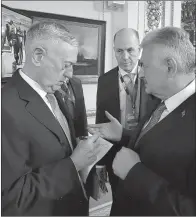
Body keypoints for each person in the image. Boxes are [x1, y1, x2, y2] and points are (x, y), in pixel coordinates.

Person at [89, 26, 196, 215]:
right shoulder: (164, 96)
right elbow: (154, 143)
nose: (142, 73)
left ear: (170, 67)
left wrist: (135, 173)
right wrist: (122, 135)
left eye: (145, 66)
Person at [1, 21, 101, 216]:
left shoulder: (53, 92)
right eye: (66, 65)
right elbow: (11, 197)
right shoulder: (5, 109)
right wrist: (73, 164)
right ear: (38, 56)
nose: (70, 74)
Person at [95, 28, 160, 200]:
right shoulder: (105, 80)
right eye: (119, 51)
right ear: (114, 52)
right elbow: (101, 122)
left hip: (149, 156)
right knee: (120, 202)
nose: (125, 57)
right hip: (116, 155)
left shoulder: (154, 77)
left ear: (139, 50)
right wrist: (100, 164)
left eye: (130, 50)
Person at [55, 64, 88, 140]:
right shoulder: (51, 85)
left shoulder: (77, 82)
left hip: (77, 135)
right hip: (61, 136)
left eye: (70, 65)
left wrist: (84, 135)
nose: (69, 69)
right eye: (65, 65)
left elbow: (82, 111)